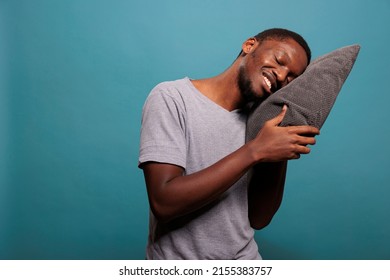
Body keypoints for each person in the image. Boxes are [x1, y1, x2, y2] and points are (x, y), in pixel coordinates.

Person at [138, 28, 320, 260]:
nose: (282, 76)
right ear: (249, 45)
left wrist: (277, 151)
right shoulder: (172, 98)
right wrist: (255, 151)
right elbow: (164, 203)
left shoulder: (263, 125)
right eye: (279, 60)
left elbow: (259, 218)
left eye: (291, 78)